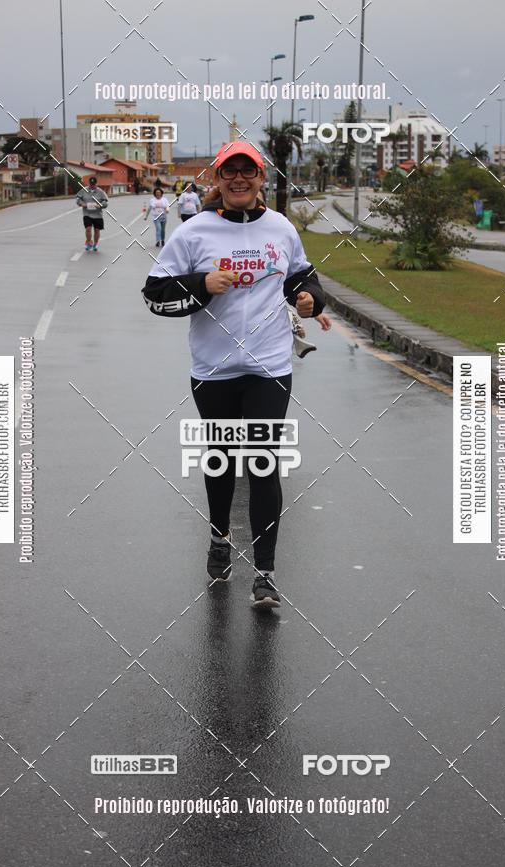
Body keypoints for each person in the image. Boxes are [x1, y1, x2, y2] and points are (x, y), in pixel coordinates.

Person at [143, 141, 331, 610]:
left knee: (264, 460)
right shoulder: (194, 232)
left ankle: (265, 573)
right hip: (214, 370)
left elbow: (303, 277)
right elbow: (154, 292)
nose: (240, 179)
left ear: (262, 179)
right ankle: (220, 535)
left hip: (270, 366)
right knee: (222, 456)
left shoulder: (281, 228)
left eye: (249, 171)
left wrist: (311, 298)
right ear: (218, 179)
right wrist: (201, 284)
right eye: (231, 172)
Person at [75, 175, 108, 252]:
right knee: (88, 228)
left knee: (97, 230)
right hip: (87, 214)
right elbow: (77, 199)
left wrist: (99, 205)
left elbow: (105, 203)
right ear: (89, 183)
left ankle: (95, 244)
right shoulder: (84, 190)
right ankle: (89, 242)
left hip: (98, 215)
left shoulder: (101, 192)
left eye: (94, 184)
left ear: (96, 184)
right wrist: (81, 204)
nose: (92, 186)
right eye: (91, 184)